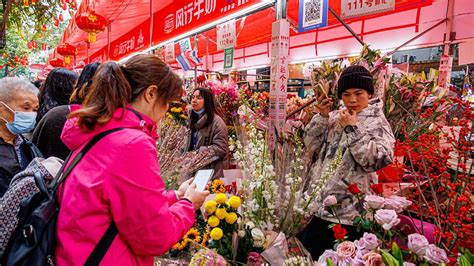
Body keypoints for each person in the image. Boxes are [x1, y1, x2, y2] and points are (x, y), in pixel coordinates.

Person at [55, 54, 209, 265]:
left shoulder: (100, 129)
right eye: (166, 104)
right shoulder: (132, 143)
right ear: (151, 94)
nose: (165, 113)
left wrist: (176, 196)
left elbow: (127, 204)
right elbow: (155, 236)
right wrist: (188, 204)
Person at [299, 65, 395, 259]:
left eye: (358, 93)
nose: (352, 100)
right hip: (319, 206)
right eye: (346, 94)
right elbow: (309, 145)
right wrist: (322, 117)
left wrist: (352, 130)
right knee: (308, 257)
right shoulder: (335, 116)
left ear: (369, 93)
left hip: (349, 214)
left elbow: (376, 161)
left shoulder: (378, 122)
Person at [32, 63, 100, 160]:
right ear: (64, 88)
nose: (77, 88)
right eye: (74, 84)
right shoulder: (63, 115)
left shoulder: (49, 112)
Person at [0, 77, 41, 197]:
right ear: (1, 108)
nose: (31, 115)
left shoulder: (25, 144)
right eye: (26, 108)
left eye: (35, 110)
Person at [186, 88, 229, 179]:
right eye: (193, 97)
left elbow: (220, 148)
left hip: (211, 175)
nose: (194, 100)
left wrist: (198, 153)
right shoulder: (192, 120)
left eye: (198, 98)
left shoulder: (217, 123)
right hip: (195, 171)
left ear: (207, 102)